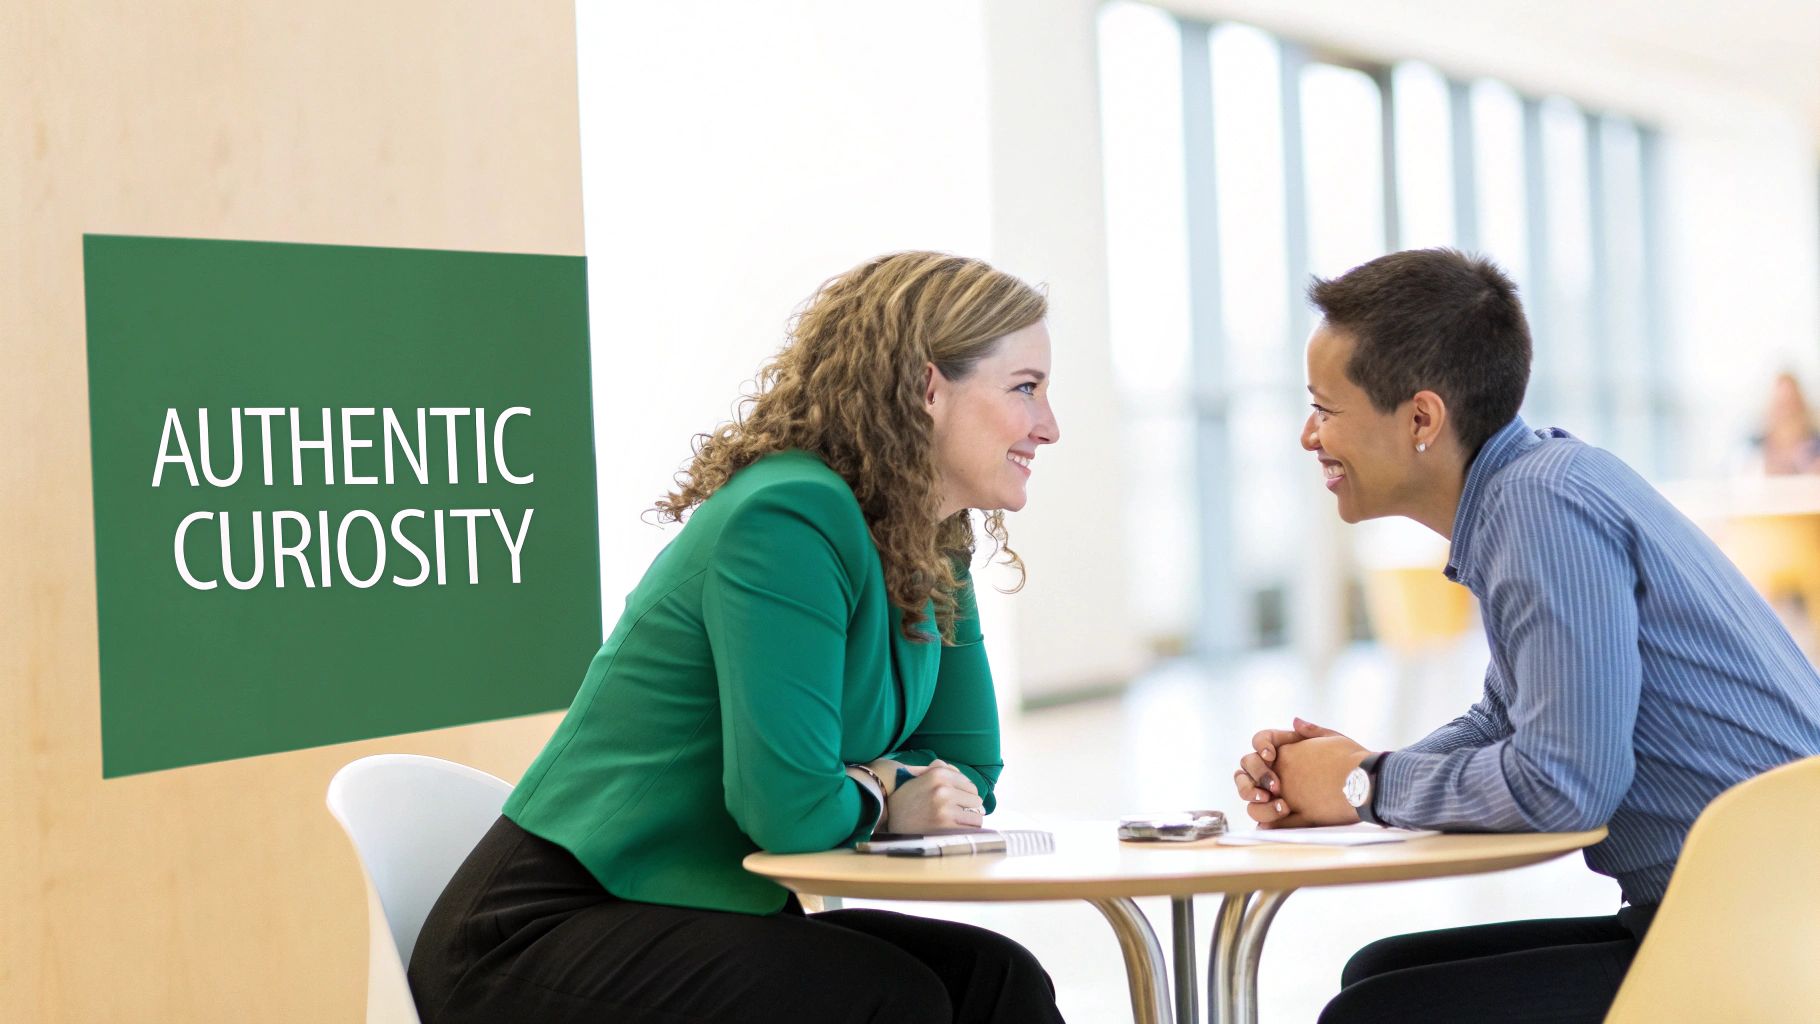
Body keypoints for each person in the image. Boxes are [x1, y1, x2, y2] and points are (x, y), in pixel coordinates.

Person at [408, 252, 1067, 1024]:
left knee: (996, 978)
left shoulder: (931, 541)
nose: (1048, 428)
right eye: (1026, 388)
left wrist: (864, 789)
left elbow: (971, 772)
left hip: (693, 915)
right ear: (929, 389)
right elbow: (787, 810)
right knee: (894, 1001)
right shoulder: (788, 516)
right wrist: (888, 790)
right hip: (542, 935)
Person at [1230, 249, 1820, 1024]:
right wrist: (1347, 775)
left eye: (1325, 408)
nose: (1310, 436)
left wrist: (1368, 785)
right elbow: (1503, 718)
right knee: (1375, 971)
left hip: (1760, 940)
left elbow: (1564, 785)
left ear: (1420, 419)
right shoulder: (1543, 482)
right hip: (1751, 912)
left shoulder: (1538, 509)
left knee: (1374, 1012)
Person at [1752, 370, 1820, 475]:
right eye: (1781, 405)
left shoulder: (1815, 445)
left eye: (1791, 403)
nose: (1787, 413)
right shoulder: (1755, 445)